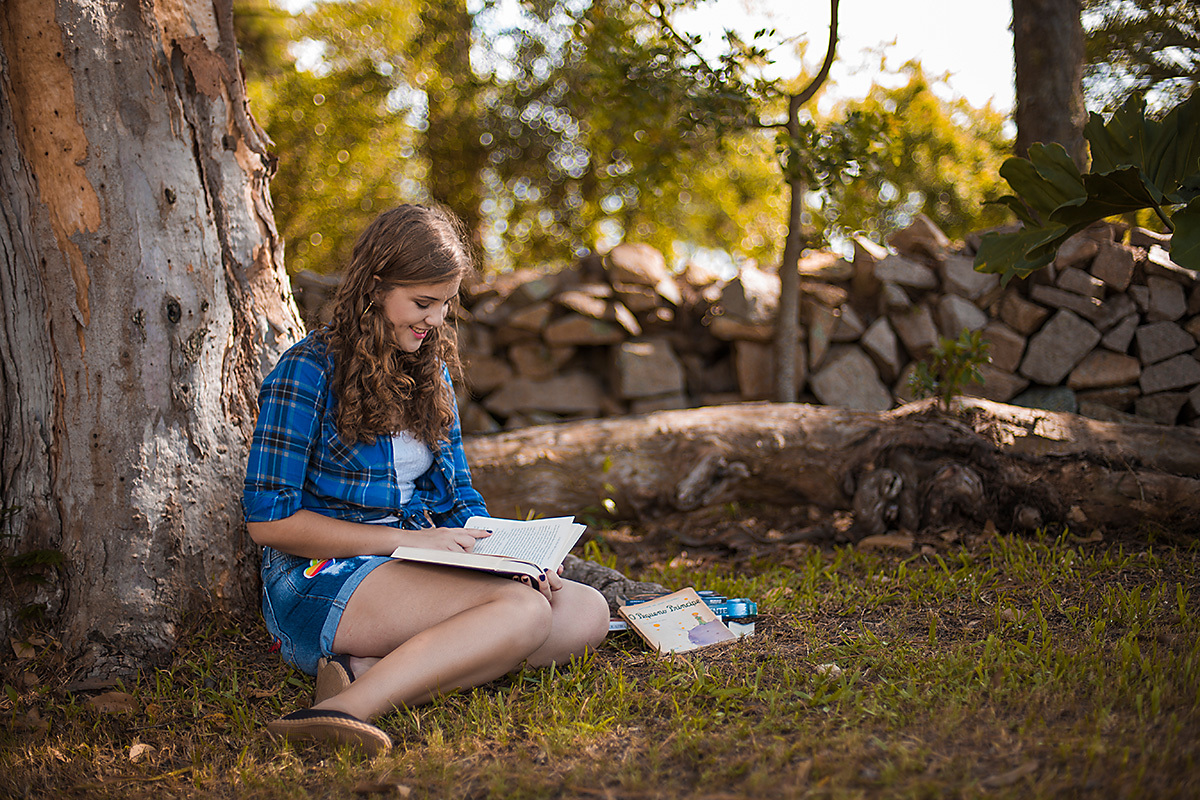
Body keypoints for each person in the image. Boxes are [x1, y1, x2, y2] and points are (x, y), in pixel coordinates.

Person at [244, 204, 610, 755]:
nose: (435, 320)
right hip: (320, 577)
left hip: (413, 562)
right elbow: (270, 524)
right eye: (422, 303)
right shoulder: (306, 372)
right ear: (374, 287)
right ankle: (335, 713)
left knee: (586, 612)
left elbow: (459, 497)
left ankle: (367, 670)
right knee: (523, 614)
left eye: (443, 304)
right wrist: (408, 541)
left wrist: (517, 557)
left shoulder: (428, 372)